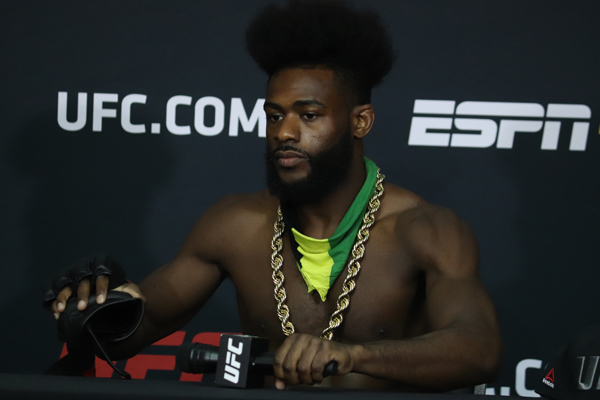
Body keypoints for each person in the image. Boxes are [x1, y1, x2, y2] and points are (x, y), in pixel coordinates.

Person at [46, 0, 502, 392]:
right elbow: (134, 331)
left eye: (309, 115)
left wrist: (354, 355)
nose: (285, 132)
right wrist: (94, 312)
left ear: (360, 121)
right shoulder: (235, 226)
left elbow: (478, 349)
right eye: (275, 115)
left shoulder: (426, 229)